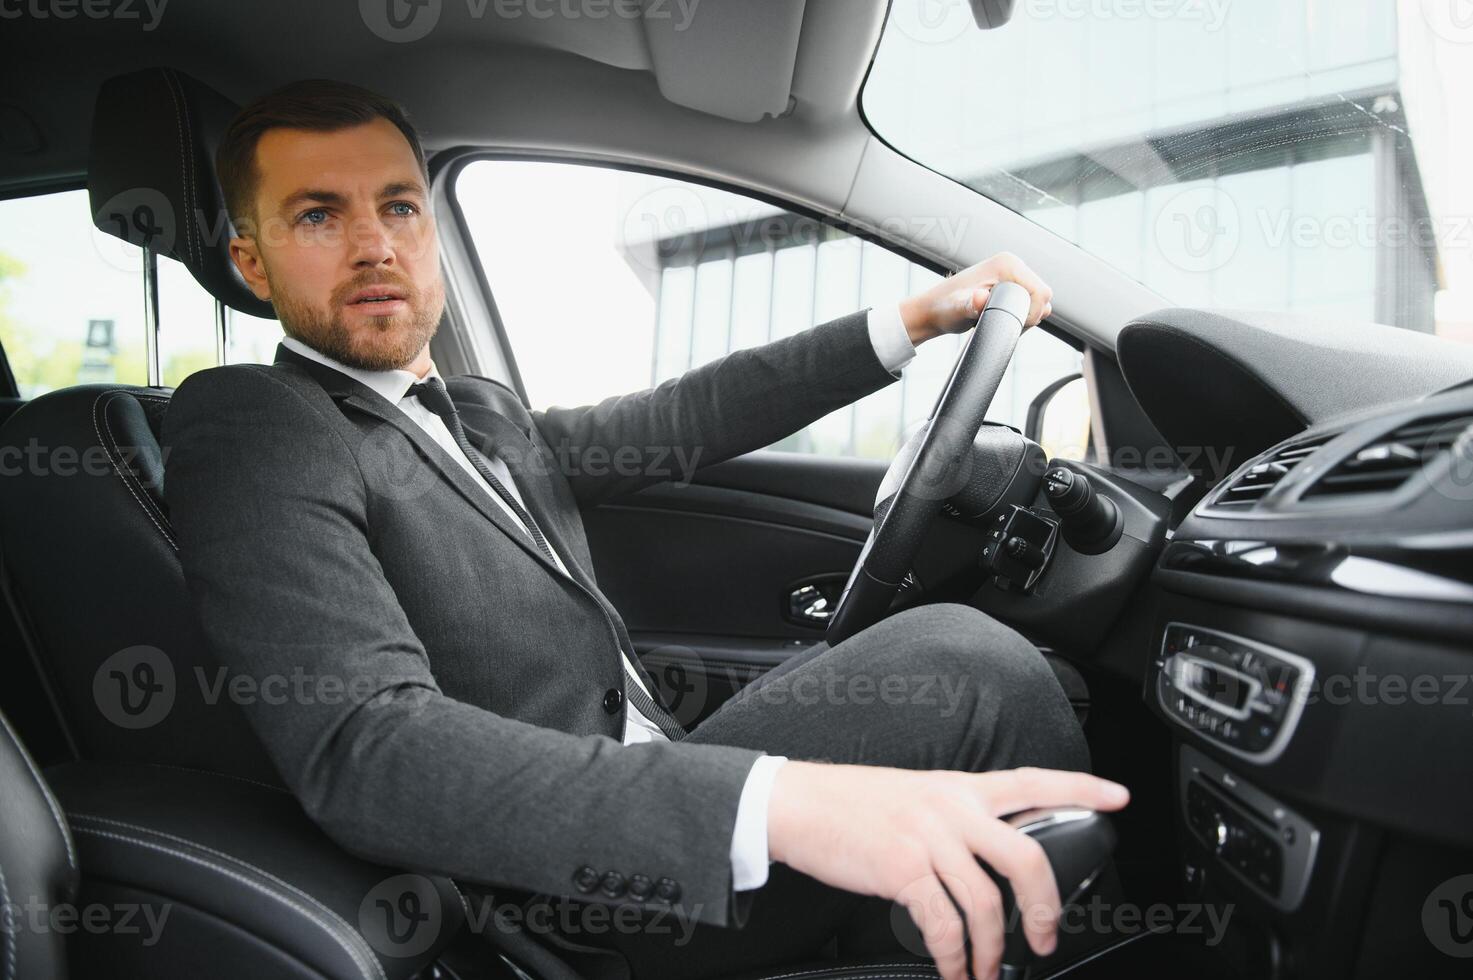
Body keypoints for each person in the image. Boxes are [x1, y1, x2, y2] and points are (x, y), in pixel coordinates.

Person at [163, 79, 1129, 980]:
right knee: (967, 661)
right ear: (251, 260)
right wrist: (773, 804)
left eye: (399, 206)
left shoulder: (477, 414)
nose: (374, 244)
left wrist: (912, 319)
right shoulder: (256, 425)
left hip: (658, 766)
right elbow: (366, 752)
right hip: (572, 890)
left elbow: (681, 420)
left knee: (1002, 667)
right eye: (318, 216)